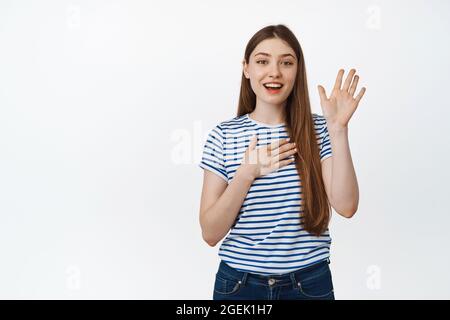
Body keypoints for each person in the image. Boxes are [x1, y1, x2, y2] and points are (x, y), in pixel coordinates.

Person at [198, 24, 366, 300]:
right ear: (246, 69)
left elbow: (347, 206)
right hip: (239, 287)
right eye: (262, 61)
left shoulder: (320, 129)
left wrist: (338, 130)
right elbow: (210, 233)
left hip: (309, 284)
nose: (274, 72)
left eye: (286, 63)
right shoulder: (224, 136)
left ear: (297, 70)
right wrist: (246, 173)